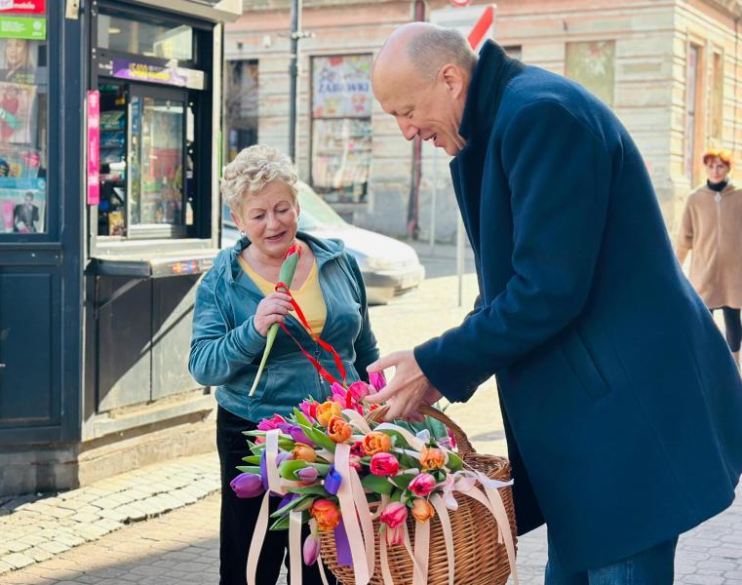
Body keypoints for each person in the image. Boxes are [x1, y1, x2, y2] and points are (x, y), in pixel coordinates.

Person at [366, 23, 742, 584]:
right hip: (592, 433)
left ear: (449, 79)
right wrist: (437, 371)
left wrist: (436, 363)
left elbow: (547, 289)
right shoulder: (511, 118)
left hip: (621, 428)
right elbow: (510, 288)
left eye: (406, 110)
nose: (405, 130)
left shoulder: (540, 115)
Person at [189, 144, 376, 585]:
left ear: (296, 206)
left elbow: (363, 345)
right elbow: (203, 365)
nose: (274, 224)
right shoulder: (224, 278)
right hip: (256, 437)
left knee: (330, 565)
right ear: (238, 220)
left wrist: (378, 403)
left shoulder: (337, 260)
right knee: (253, 563)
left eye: (282, 208)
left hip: (336, 432)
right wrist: (252, 329)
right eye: (258, 215)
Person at [676, 148, 742, 370]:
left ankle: (735, 365)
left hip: (734, 272)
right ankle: (707, 365)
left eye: (720, 166)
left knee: (733, 318)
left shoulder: (739, 196)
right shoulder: (695, 199)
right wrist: (675, 265)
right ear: (706, 167)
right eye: (711, 166)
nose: (715, 170)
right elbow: (685, 236)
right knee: (704, 319)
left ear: (727, 168)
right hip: (704, 270)